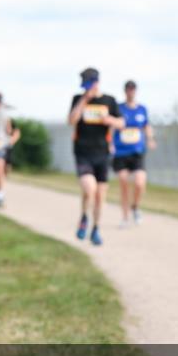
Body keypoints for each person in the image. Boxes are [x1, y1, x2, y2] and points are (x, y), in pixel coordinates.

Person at [68, 68, 123, 246]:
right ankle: (84, 217)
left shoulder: (109, 100)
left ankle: (95, 228)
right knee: (89, 188)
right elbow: (71, 120)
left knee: (100, 195)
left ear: (96, 82)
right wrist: (84, 100)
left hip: (102, 153)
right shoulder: (78, 99)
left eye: (88, 85)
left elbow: (121, 123)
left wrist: (110, 120)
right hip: (83, 152)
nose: (86, 89)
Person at [112, 80, 156, 227]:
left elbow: (146, 126)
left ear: (135, 91)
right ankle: (125, 218)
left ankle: (135, 207)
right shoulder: (118, 108)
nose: (131, 92)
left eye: (133, 89)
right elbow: (111, 127)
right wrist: (109, 143)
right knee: (124, 183)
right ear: (125, 91)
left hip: (137, 151)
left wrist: (150, 139)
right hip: (120, 152)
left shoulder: (142, 109)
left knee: (139, 183)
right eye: (128, 89)